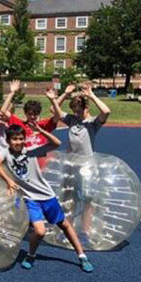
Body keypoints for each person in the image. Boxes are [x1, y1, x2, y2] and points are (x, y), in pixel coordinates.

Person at [0, 124, 94, 273]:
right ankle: (31, 255)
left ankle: (82, 256)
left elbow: (56, 143)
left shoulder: (31, 152)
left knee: (64, 225)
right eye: (14, 139)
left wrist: (41, 131)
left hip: (47, 195)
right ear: (8, 140)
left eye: (21, 139)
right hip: (30, 199)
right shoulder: (5, 153)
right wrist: (8, 180)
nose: (18, 142)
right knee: (40, 231)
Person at [48, 81, 111, 243]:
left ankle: (84, 232)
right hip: (71, 166)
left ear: (87, 108)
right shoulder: (72, 120)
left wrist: (91, 95)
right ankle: (68, 229)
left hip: (87, 167)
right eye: (75, 109)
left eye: (80, 109)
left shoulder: (92, 123)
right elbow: (54, 111)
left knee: (87, 200)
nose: (77, 112)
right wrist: (61, 95)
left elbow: (106, 111)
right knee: (69, 198)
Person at [0, 80, 58, 149]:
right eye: (29, 114)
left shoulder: (44, 125)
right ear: (25, 113)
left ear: (39, 113)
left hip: (42, 157)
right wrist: (12, 92)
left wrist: (53, 100)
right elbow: (3, 110)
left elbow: (58, 116)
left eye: (35, 114)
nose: (32, 117)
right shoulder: (20, 124)